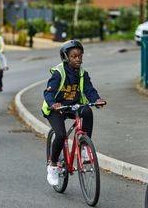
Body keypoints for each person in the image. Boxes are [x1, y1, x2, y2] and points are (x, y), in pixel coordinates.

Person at [41, 39, 106, 186]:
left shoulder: (83, 74)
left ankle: (84, 148)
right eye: (74, 56)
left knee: (87, 111)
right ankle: (53, 165)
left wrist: (97, 99)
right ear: (66, 57)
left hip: (73, 106)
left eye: (80, 56)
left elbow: (89, 90)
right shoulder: (59, 73)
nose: (78, 59)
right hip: (55, 109)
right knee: (61, 134)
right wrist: (53, 104)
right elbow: (48, 92)